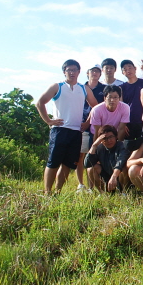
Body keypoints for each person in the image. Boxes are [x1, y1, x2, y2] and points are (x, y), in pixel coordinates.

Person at [35, 59, 98, 193]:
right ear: (64, 72)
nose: (72, 72)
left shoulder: (84, 88)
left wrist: (87, 122)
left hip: (76, 131)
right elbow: (40, 103)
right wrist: (48, 121)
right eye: (69, 70)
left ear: (79, 72)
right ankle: (47, 192)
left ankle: (57, 191)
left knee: (68, 164)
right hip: (60, 129)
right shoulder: (57, 87)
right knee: (53, 162)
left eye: (74, 70)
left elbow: (96, 107)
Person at [78, 64, 105, 191]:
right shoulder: (79, 88)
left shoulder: (104, 89)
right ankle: (81, 184)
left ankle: (92, 186)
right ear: (87, 73)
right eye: (92, 71)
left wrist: (88, 122)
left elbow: (98, 108)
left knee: (94, 155)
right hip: (80, 125)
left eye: (97, 71)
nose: (94, 73)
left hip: (97, 126)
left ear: (100, 74)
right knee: (80, 156)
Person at [85, 124, 131, 192]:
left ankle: (124, 192)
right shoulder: (99, 148)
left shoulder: (123, 146)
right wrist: (94, 145)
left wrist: (114, 176)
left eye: (111, 137)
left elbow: (120, 162)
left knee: (124, 167)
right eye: (105, 138)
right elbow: (87, 164)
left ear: (116, 136)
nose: (109, 140)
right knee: (91, 169)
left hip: (119, 176)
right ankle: (102, 192)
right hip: (106, 176)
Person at [120, 59, 143, 153]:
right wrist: (123, 124)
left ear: (135, 69)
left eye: (130, 67)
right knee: (128, 148)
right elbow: (121, 106)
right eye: (125, 69)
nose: (128, 70)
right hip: (129, 123)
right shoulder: (122, 87)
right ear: (123, 73)